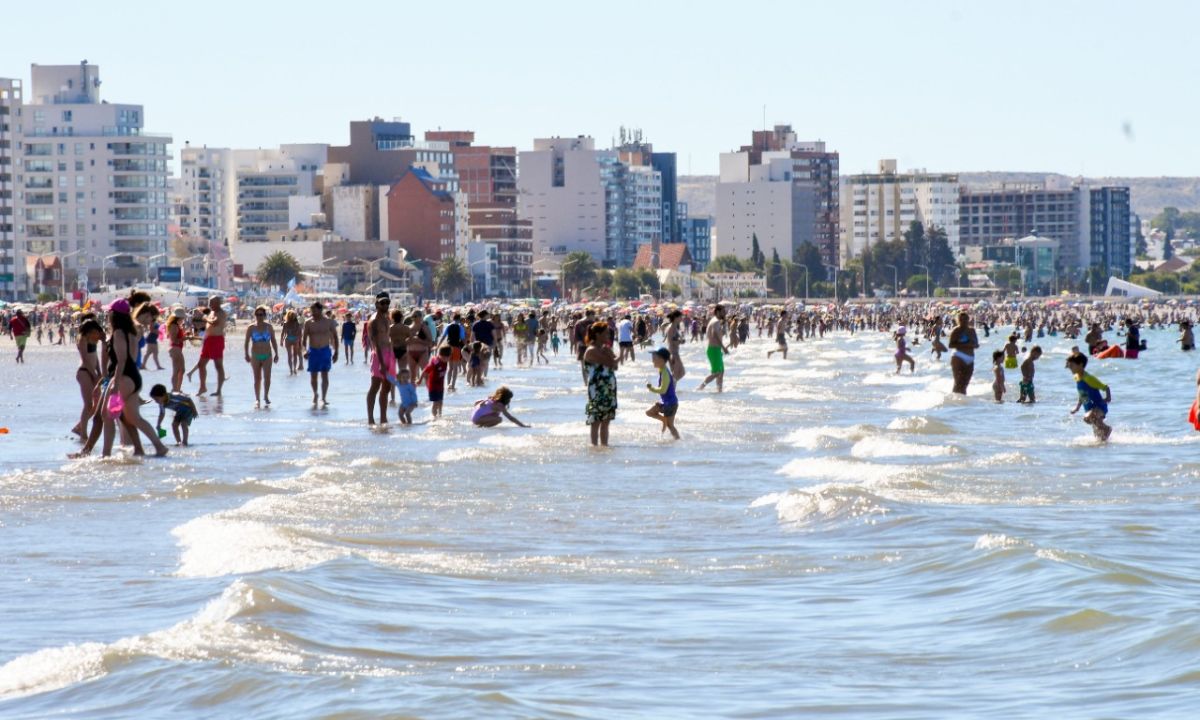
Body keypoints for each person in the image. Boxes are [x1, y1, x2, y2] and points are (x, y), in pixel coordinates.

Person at [583, 321, 619, 447]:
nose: (608, 336)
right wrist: (616, 355)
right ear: (597, 335)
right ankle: (594, 447)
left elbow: (616, 367)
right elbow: (611, 363)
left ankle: (604, 447)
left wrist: (609, 353)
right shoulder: (591, 350)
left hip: (609, 388)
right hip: (597, 389)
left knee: (606, 421)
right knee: (596, 421)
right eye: (606, 334)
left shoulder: (605, 349)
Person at [1068, 352, 1112, 441]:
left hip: (1099, 406)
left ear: (1080, 365)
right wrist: (1077, 407)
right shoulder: (1077, 377)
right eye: (1069, 366)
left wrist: (1108, 398)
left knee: (1087, 418)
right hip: (1089, 407)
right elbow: (1082, 394)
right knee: (1099, 437)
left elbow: (1105, 387)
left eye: (1072, 365)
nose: (1070, 368)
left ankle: (1107, 429)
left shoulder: (1088, 378)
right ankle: (1104, 445)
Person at [72, 318, 105, 439]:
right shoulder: (82, 339)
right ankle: (83, 433)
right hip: (84, 372)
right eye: (95, 331)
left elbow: (95, 358)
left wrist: (99, 372)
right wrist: (94, 375)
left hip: (92, 372)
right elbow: (85, 358)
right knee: (88, 404)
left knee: (97, 404)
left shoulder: (93, 340)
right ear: (89, 330)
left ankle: (80, 426)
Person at [301, 301, 339, 406]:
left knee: (325, 374)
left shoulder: (328, 322)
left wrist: (336, 353)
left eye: (314, 310)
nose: (312, 312)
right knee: (313, 376)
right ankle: (315, 394)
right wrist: (304, 351)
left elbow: (335, 337)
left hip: (325, 350)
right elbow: (303, 340)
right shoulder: (308, 323)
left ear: (320, 310)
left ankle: (323, 397)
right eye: (311, 310)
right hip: (313, 351)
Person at [190, 296, 228, 396]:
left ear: (218, 302)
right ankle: (203, 387)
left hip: (217, 340)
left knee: (218, 366)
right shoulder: (211, 312)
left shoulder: (221, 313)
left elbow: (215, 323)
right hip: (208, 340)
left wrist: (204, 317)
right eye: (209, 302)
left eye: (212, 303)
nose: (210, 305)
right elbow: (207, 325)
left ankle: (219, 390)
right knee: (201, 364)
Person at [366, 293, 394, 425]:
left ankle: (383, 417)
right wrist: (382, 363)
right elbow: (375, 342)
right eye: (382, 303)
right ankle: (371, 419)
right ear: (376, 304)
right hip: (379, 355)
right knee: (375, 386)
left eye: (387, 302)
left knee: (387, 387)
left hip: (389, 353)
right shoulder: (374, 321)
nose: (385, 305)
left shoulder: (386, 318)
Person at [243, 305, 279, 407]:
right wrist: (246, 354)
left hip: (267, 355)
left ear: (264, 315)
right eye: (258, 314)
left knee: (267, 377)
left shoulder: (269, 327)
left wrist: (276, 353)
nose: (259, 316)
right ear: (255, 315)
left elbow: (273, 341)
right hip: (255, 355)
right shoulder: (251, 328)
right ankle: (257, 399)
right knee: (257, 378)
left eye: (261, 314)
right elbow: (246, 342)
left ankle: (266, 396)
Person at [645, 347, 680, 439]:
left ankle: (677, 440)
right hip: (669, 403)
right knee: (669, 425)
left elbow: (663, 390)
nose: (652, 361)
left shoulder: (665, 373)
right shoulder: (663, 370)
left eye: (654, 358)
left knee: (669, 426)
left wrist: (651, 388)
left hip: (670, 404)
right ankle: (677, 440)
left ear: (661, 359)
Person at [697, 305, 729, 392]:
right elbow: (714, 334)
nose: (725, 313)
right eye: (723, 311)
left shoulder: (716, 321)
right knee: (717, 372)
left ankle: (719, 390)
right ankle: (700, 387)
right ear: (718, 312)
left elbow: (717, 334)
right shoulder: (715, 321)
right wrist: (723, 347)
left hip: (716, 349)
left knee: (721, 372)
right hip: (713, 349)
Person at [948, 311, 979, 395]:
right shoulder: (956, 330)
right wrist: (965, 344)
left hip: (970, 358)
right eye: (961, 319)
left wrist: (971, 344)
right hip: (958, 356)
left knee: (965, 384)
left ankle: (963, 404)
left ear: (968, 320)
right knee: (958, 382)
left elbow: (976, 345)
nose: (964, 321)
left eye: (965, 319)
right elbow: (950, 345)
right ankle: (954, 402)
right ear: (958, 320)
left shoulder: (972, 331)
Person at [422, 345, 451, 418]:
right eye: (444, 358)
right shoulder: (435, 362)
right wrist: (419, 380)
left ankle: (440, 415)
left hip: (440, 386)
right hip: (433, 386)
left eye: (448, 358)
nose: (446, 359)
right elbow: (425, 370)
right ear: (440, 355)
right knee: (435, 403)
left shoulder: (445, 361)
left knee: (440, 401)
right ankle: (434, 417)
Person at [166, 307, 188, 393]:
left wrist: (185, 336)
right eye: (182, 317)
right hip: (175, 348)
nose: (183, 319)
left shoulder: (175, 325)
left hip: (175, 348)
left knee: (180, 370)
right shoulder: (174, 326)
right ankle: (175, 389)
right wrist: (185, 338)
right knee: (178, 370)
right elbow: (175, 340)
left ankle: (177, 389)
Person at [665, 310, 686, 381]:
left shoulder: (674, 327)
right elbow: (672, 341)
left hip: (674, 352)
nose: (681, 318)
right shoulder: (671, 327)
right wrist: (680, 341)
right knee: (678, 373)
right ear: (675, 318)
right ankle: (670, 388)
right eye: (680, 317)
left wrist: (680, 340)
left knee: (678, 373)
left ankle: (671, 389)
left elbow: (674, 339)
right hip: (673, 353)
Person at [281, 310, 303, 375]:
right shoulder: (297, 324)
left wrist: (281, 341)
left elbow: (283, 333)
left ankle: (291, 370)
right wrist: (300, 342)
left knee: (290, 355)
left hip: (288, 339)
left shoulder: (286, 323)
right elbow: (300, 334)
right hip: (295, 339)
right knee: (294, 355)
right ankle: (294, 369)